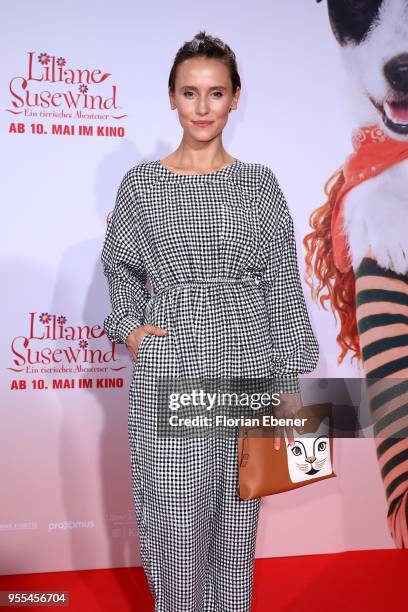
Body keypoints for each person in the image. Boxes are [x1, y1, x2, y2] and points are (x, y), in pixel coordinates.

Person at [101, 30, 319, 612]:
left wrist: (291, 381)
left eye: (215, 93)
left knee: (236, 526)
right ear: (171, 98)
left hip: (246, 366)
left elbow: (281, 284)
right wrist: (131, 328)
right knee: (171, 525)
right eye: (189, 93)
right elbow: (120, 271)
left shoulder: (259, 184)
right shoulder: (142, 186)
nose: (202, 108)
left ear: (235, 98)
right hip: (170, 370)